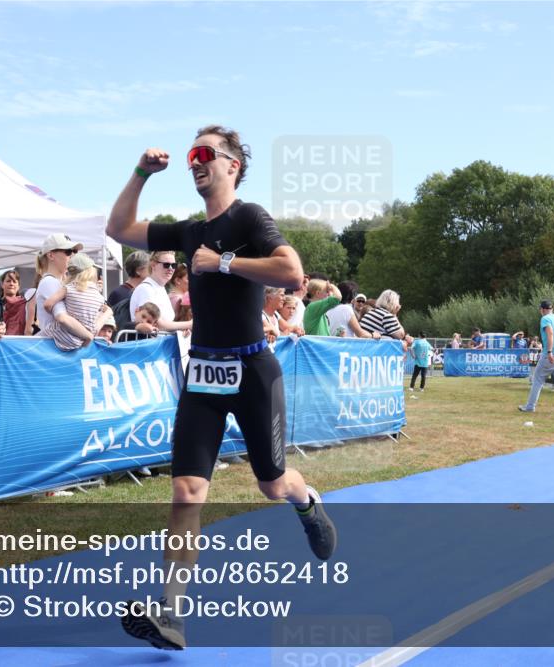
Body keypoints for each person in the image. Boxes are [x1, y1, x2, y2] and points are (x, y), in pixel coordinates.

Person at [106, 124, 337, 651]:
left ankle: (306, 501)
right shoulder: (188, 232)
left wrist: (225, 262)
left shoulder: (249, 217)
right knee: (187, 491)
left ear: (233, 164)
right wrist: (141, 173)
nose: (195, 162)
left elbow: (291, 272)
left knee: (272, 484)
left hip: (253, 371)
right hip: (204, 376)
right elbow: (119, 228)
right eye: (191, 154)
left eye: (205, 153)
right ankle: (171, 614)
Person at [33, 233, 95, 346]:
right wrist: (88, 335)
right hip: (54, 348)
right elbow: (62, 318)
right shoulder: (50, 282)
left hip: (60, 347)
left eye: (74, 251)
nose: (73, 255)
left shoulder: (60, 283)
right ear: (51, 255)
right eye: (68, 251)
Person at [42, 252, 112, 351]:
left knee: (32, 339)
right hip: (80, 343)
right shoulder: (99, 296)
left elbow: (47, 304)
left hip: (61, 337)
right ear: (91, 272)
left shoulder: (69, 288)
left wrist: (52, 312)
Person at [519, 300, 554, 415]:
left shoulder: (545, 319)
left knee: (537, 380)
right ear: (552, 309)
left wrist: (549, 352)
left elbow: (550, 334)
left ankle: (530, 407)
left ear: (542, 310)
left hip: (549, 355)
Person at [129, 251, 193, 334]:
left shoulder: (160, 288)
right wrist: (189, 324)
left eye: (174, 265)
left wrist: (180, 330)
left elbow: (167, 324)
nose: (171, 269)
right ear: (153, 265)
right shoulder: (146, 289)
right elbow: (159, 325)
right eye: (166, 265)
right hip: (147, 341)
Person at [0, 270, 27, 335]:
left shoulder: (25, 305)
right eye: (8, 281)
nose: (11, 284)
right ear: (2, 285)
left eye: (14, 281)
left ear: (18, 286)